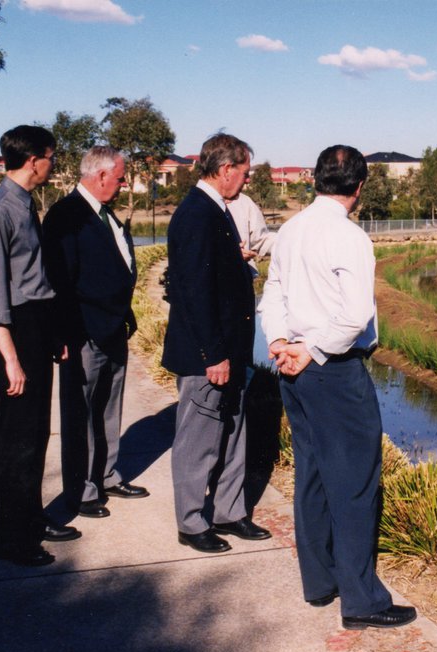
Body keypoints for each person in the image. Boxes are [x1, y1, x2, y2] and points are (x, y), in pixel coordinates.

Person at [258, 145, 417, 630]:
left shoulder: (291, 229)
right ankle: (362, 601)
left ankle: (321, 582)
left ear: (316, 181)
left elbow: (272, 292)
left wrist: (282, 341)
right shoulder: (349, 237)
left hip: (295, 367)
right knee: (354, 481)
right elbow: (353, 316)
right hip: (333, 368)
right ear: (360, 187)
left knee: (311, 473)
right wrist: (311, 350)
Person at [0, 125, 80, 567]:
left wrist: (52, 335)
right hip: (11, 331)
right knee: (16, 435)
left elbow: (35, 279)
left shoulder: (24, 204)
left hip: (34, 325)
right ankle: (13, 538)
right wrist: (11, 359)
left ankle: (30, 518)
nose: (53, 165)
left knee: (35, 431)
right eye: (51, 157)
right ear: (33, 159)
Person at [161, 133, 272, 553]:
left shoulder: (215, 210)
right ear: (225, 170)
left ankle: (229, 512)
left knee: (233, 431)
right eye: (243, 173)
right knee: (199, 440)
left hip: (229, 348)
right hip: (208, 355)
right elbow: (193, 292)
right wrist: (213, 355)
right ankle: (191, 523)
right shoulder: (197, 215)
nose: (246, 182)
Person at [42, 146, 149, 522]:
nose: (122, 185)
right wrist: (65, 336)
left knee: (109, 409)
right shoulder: (66, 216)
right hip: (83, 333)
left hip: (113, 328)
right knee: (80, 415)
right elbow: (59, 282)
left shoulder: (106, 216)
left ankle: (106, 475)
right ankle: (82, 491)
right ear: (101, 175)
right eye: (120, 178)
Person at [226, 189, 274, 274]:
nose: (247, 180)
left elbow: (261, 239)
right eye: (245, 175)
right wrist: (229, 255)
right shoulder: (197, 203)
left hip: (241, 279)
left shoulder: (243, 202)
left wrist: (293, 241)